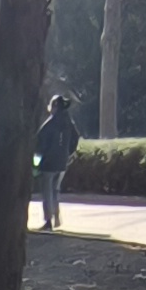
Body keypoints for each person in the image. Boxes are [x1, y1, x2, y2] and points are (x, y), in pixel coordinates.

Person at [35, 92, 81, 231]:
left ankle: (48, 220)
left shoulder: (49, 124)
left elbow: (39, 146)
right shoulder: (69, 123)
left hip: (48, 164)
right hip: (62, 163)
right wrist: (68, 152)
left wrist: (35, 165)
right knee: (55, 191)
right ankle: (56, 217)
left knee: (47, 192)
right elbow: (76, 138)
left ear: (54, 107)